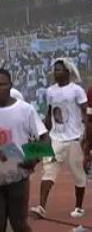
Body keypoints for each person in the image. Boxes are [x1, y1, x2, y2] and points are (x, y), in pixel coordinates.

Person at [0, 69, 48, 232]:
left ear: (10, 86)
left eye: (2, 84)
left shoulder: (25, 110)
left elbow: (44, 137)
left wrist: (33, 158)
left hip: (18, 176)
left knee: (18, 224)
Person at [31, 59, 88, 219]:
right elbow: (50, 114)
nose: (56, 73)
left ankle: (78, 207)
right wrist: (43, 133)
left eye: (59, 70)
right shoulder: (50, 91)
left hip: (75, 138)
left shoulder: (77, 90)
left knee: (78, 175)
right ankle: (41, 206)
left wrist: (86, 136)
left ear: (67, 72)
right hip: (56, 138)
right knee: (48, 170)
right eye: (55, 70)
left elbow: (85, 112)